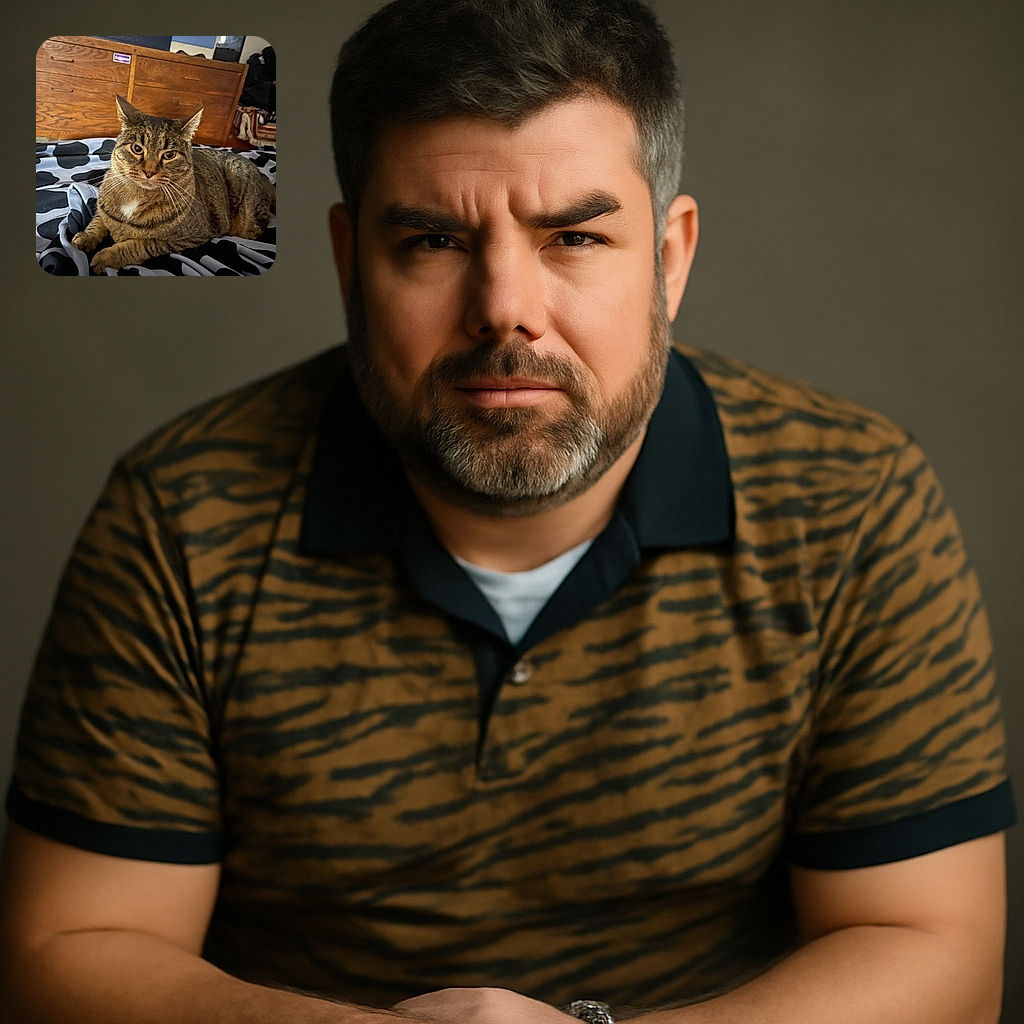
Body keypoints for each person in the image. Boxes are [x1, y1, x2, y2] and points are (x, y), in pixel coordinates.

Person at [1, 0, 1015, 1021]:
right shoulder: (182, 514)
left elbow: (939, 955)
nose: (505, 308)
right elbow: (73, 951)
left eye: (573, 235)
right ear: (351, 261)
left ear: (669, 256)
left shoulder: (851, 501)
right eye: (434, 239)